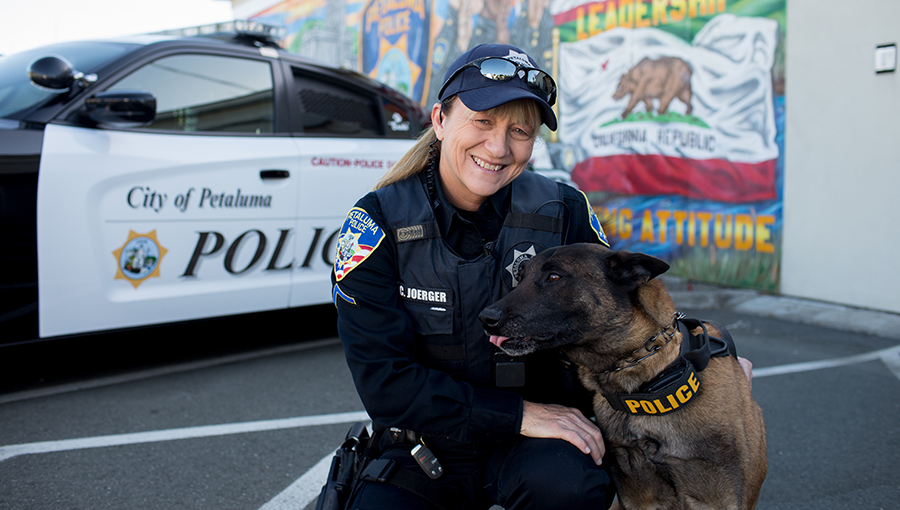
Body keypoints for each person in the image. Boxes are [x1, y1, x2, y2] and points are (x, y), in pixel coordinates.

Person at [331, 43, 615, 510]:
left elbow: (625, 312)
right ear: (440, 120)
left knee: (572, 485)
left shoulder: (565, 212)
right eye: (482, 121)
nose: (499, 147)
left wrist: (710, 349)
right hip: (422, 450)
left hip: (536, 448)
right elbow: (385, 384)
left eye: (520, 130)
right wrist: (520, 414)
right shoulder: (376, 223)